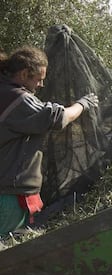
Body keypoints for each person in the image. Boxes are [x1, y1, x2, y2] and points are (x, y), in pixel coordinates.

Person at [0, 45, 98, 235]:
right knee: (7, 255)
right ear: (23, 74)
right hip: (10, 195)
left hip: (7, 190)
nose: (41, 85)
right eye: (39, 79)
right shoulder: (18, 100)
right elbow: (57, 117)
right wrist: (83, 104)